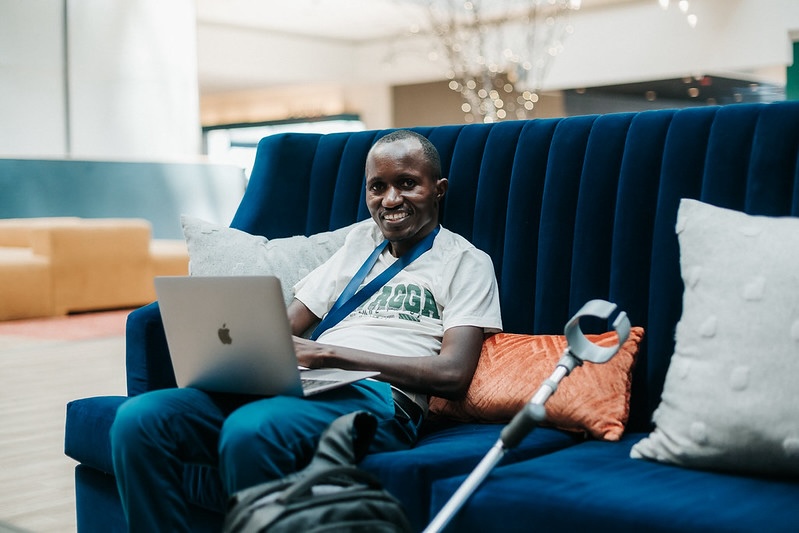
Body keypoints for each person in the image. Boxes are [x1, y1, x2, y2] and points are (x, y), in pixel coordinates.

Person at [110, 129, 503, 531]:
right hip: (304, 385)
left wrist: (328, 355)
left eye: (406, 184)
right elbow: (286, 327)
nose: (390, 200)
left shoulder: (465, 262)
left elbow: (453, 374)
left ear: (438, 190)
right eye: (377, 187)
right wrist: (238, 353)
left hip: (382, 399)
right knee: (139, 420)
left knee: (252, 430)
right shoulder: (360, 243)